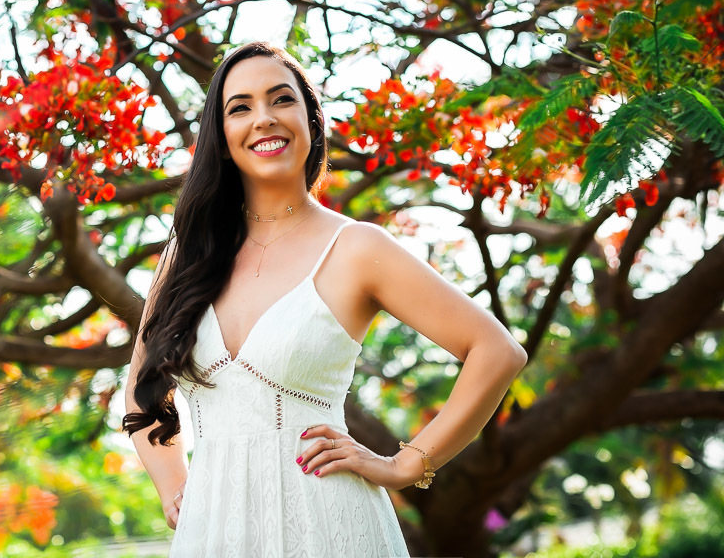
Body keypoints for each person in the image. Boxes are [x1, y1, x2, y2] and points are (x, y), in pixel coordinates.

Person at [122, 41, 529, 557]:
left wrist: (406, 465)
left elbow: (497, 352)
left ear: (311, 121)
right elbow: (142, 384)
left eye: (282, 100)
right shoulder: (187, 255)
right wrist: (173, 487)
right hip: (213, 532)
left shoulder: (357, 248)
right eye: (240, 107)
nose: (264, 119)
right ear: (222, 139)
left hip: (331, 527)